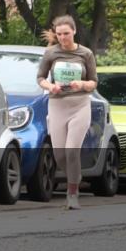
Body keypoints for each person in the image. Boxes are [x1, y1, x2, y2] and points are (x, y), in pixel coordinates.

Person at [36, 15, 98, 210]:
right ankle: (75, 175)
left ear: (74, 32)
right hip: (57, 105)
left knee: (72, 150)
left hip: (79, 105)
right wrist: (50, 86)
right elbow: (40, 78)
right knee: (59, 154)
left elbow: (94, 82)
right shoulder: (51, 53)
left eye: (67, 34)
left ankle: (72, 193)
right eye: (60, 34)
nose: (63, 37)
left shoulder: (85, 54)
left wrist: (82, 83)